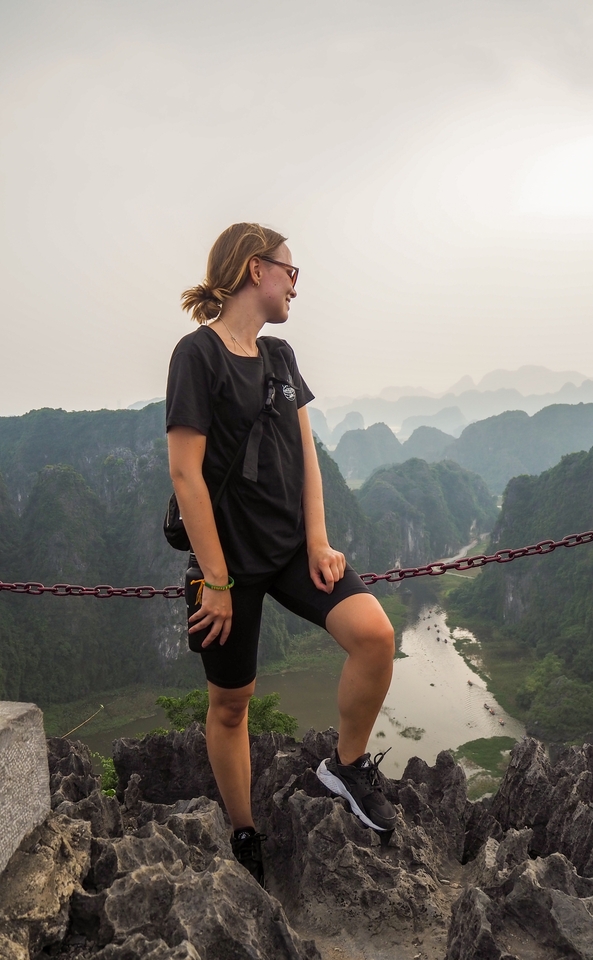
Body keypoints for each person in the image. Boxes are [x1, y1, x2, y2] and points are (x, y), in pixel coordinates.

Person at [165, 223, 397, 887]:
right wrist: (215, 581)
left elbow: (307, 457)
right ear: (253, 269)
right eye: (289, 271)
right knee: (231, 704)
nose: (296, 284)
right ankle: (244, 831)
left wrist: (318, 541)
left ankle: (345, 767)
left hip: (292, 548)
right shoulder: (197, 355)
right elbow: (185, 475)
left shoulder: (281, 356)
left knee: (375, 635)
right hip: (227, 564)